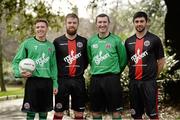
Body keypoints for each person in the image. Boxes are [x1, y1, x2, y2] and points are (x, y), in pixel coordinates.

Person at [12, 19, 58, 120]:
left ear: (47, 29)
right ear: (35, 29)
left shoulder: (51, 46)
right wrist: (19, 72)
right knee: (30, 112)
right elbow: (16, 61)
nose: (40, 29)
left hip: (47, 82)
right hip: (32, 81)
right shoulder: (27, 43)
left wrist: (55, 83)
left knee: (43, 113)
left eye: (42, 27)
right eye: (37, 27)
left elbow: (53, 66)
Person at [125, 11, 166, 119]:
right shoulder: (128, 41)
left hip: (149, 83)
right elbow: (129, 61)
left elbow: (161, 61)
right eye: (137, 21)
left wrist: (153, 77)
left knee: (153, 115)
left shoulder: (154, 39)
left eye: (142, 21)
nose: (139, 24)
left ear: (146, 22)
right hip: (134, 83)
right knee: (136, 115)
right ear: (133, 23)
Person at [87, 13, 127, 120]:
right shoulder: (91, 41)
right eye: (100, 22)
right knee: (95, 112)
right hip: (96, 79)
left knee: (116, 112)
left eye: (105, 22)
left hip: (112, 79)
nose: (102, 24)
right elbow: (91, 60)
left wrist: (116, 72)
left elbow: (123, 60)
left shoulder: (116, 40)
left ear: (108, 23)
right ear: (96, 24)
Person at [53, 13, 88, 120]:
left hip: (78, 80)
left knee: (79, 113)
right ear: (65, 24)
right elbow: (53, 62)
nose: (71, 25)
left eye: (74, 23)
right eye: (69, 23)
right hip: (62, 81)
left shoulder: (84, 41)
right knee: (59, 112)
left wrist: (79, 70)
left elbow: (86, 61)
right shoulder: (57, 42)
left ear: (77, 24)